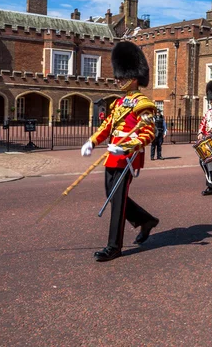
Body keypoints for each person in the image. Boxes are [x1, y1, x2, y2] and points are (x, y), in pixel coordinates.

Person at [80, 41, 159, 262]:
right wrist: (92, 142)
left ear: (133, 77)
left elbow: (149, 133)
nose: (118, 80)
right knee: (113, 196)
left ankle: (114, 246)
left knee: (117, 202)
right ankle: (146, 220)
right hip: (112, 156)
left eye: (121, 77)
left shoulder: (143, 103)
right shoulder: (118, 103)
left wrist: (126, 145)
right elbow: (107, 127)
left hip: (127, 157)